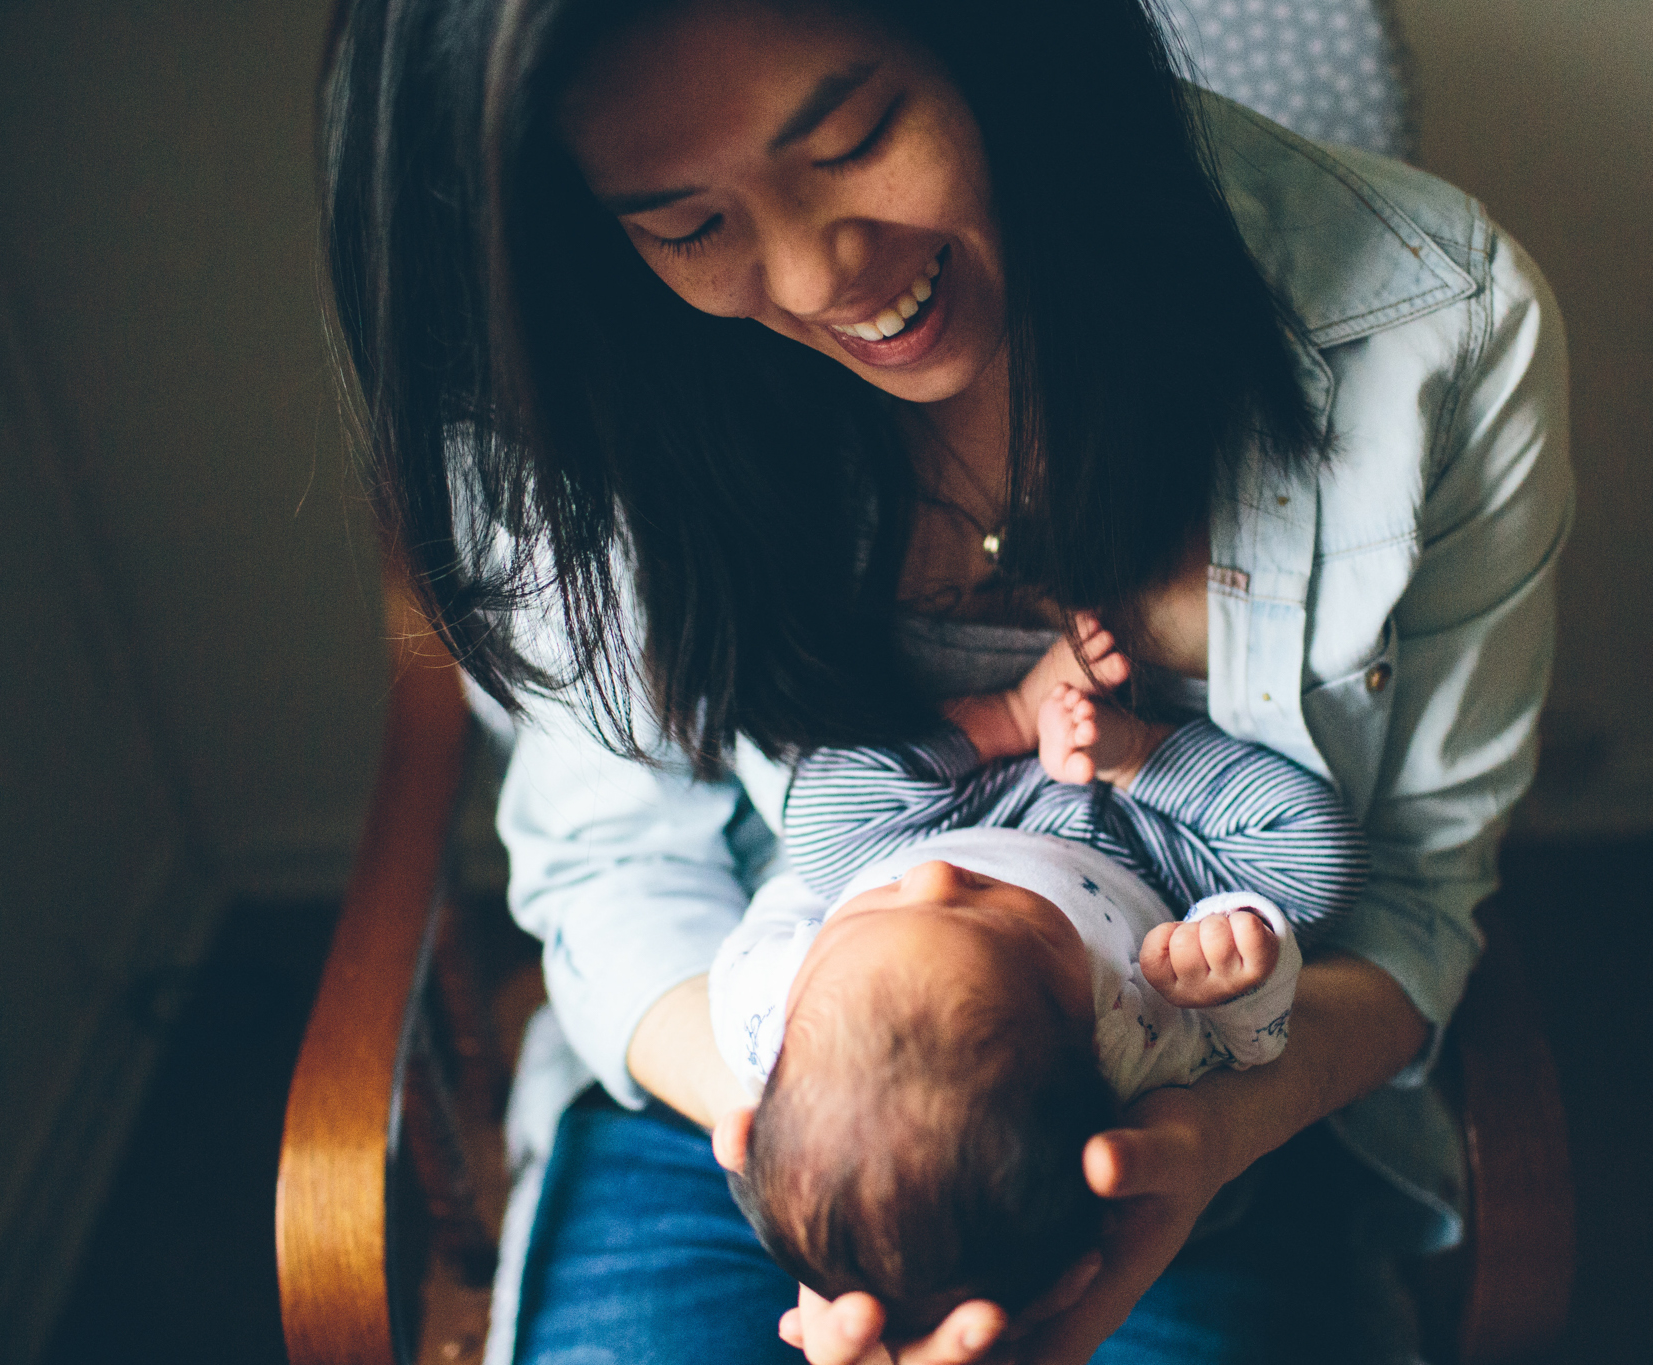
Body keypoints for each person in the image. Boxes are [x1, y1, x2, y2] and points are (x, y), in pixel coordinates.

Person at [318, 0, 1572, 1360]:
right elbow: (613, 863)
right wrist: (794, 1104)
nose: (814, 278)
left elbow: (1406, 897)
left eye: (851, 140)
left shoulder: (1435, 331)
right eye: (688, 224)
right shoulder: (587, 377)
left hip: (1212, 1100)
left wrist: (1193, 1140)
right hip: (734, 1071)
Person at [706, 619, 1364, 1339]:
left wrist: (1012, 721)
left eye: (880, 917)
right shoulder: (1138, 1047)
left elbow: (768, 920)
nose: (931, 880)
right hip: (1149, 849)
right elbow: (1256, 1041)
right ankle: (1139, 750)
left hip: (937, 812)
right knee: (1319, 861)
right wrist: (1232, 962)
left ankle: (1012, 716)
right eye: (985, 917)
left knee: (824, 813)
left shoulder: (763, 1011)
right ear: (1090, 1038)